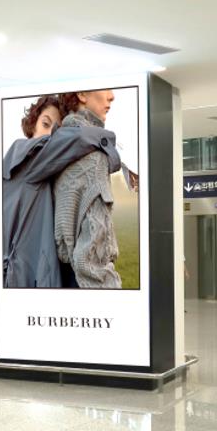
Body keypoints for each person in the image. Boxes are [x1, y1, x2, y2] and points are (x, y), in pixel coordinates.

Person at [2, 94, 119, 288]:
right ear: (32, 125)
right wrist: (111, 147)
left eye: (57, 131)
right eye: (45, 124)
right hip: (23, 278)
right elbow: (78, 137)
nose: (51, 136)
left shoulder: (45, 172)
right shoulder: (25, 155)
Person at [54, 90, 123, 288]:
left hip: (59, 276)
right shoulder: (93, 155)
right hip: (88, 284)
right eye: (106, 88)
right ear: (82, 94)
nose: (112, 96)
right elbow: (90, 259)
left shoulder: (59, 147)